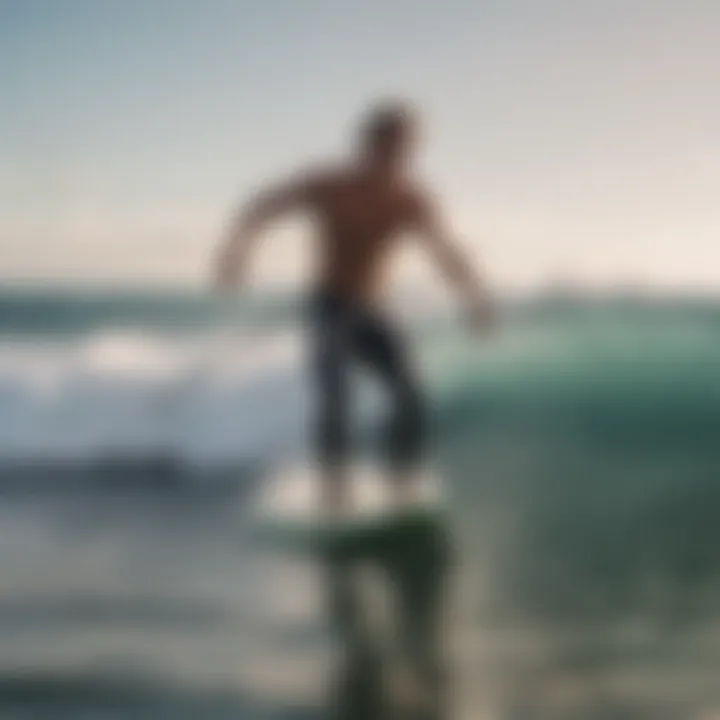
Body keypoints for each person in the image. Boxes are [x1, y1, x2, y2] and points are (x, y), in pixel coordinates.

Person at [213, 100, 493, 510]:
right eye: (387, 145)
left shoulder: (411, 200)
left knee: (412, 395)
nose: (396, 156)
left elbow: (446, 252)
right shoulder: (329, 185)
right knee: (336, 395)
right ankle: (334, 490)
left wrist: (474, 298)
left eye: (405, 148)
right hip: (329, 305)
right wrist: (236, 252)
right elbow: (262, 206)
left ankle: (403, 481)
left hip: (374, 310)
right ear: (366, 144)